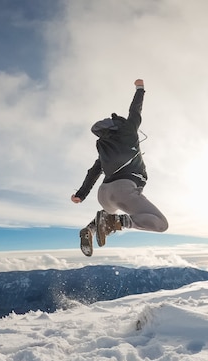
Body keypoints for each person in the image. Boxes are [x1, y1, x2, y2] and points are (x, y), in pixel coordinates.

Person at [71, 79, 168, 256]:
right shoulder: (128, 132)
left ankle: (90, 230)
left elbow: (93, 172)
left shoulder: (104, 149)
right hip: (123, 190)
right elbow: (135, 111)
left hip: (104, 194)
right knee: (160, 224)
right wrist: (140, 89)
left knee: (109, 212)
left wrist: (81, 195)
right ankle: (114, 222)